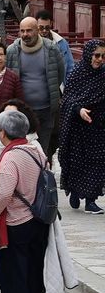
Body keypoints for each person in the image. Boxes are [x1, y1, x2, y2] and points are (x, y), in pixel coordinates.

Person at [0, 109, 50, 293]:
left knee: (14, 278)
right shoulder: (36, 151)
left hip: (16, 222)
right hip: (39, 222)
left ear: (3, 132)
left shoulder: (11, 157)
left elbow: (4, 192)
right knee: (33, 277)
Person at [6, 16, 66, 161]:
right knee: (22, 149)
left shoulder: (51, 48)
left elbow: (60, 73)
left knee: (43, 151)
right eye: (22, 31)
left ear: (37, 30)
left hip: (46, 109)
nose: (25, 34)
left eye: (29, 30)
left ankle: (41, 181)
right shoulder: (12, 51)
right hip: (22, 111)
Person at [60, 40, 105, 213]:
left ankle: (91, 201)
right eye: (96, 55)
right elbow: (68, 100)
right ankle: (75, 191)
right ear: (88, 55)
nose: (100, 59)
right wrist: (78, 110)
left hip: (98, 128)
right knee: (78, 164)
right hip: (78, 129)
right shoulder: (77, 74)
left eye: (102, 56)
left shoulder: (103, 74)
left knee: (97, 164)